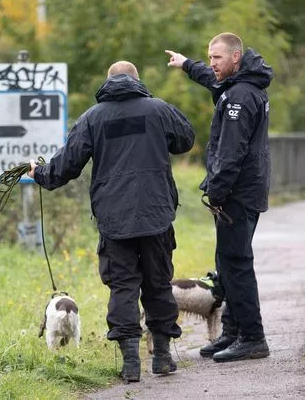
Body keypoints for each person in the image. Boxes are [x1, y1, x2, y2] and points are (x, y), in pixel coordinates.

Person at [27, 61, 195, 381]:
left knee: (123, 286)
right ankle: (161, 357)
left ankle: (131, 363)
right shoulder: (159, 110)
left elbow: (67, 165)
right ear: (136, 80)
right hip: (156, 213)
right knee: (158, 283)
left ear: (108, 81)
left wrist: (40, 175)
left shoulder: (93, 118)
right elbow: (185, 140)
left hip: (114, 219)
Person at [165, 32, 272, 363]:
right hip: (243, 191)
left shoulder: (239, 96)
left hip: (237, 195)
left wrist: (217, 192)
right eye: (208, 57)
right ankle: (232, 331)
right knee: (227, 262)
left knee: (237, 264)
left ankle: (252, 337)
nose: (211, 64)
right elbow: (211, 79)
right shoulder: (236, 85)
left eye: (217, 58)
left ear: (235, 58)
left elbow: (230, 153)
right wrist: (186, 65)